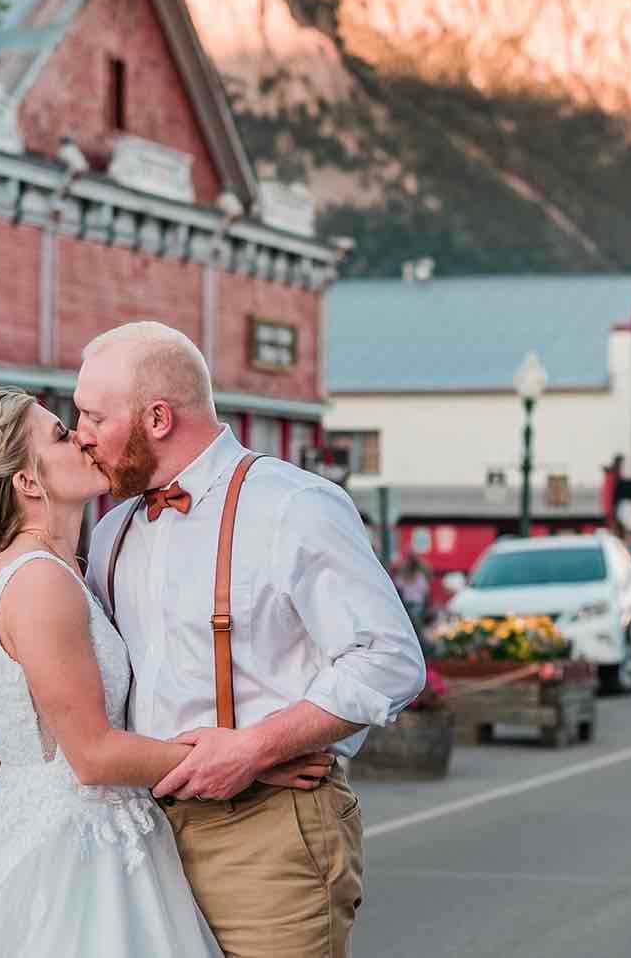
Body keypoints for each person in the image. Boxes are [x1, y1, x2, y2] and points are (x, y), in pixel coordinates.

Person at [0, 388, 330, 958]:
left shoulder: (16, 573)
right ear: (29, 482)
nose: (82, 437)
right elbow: (92, 757)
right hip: (84, 847)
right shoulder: (42, 582)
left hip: (35, 828)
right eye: (61, 434)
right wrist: (250, 760)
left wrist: (41, 773)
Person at [80, 322, 426, 958]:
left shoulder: (294, 506)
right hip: (135, 835)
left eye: (93, 416)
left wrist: (257, 748)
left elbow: (390, 659)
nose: (81, 435)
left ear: (156, 417)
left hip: (265, 836)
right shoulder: (111, 532)